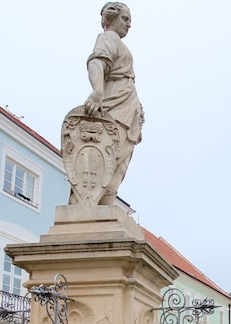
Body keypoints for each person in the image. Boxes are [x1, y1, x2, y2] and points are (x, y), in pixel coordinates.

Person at [82, 2, 143, 205]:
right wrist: (97, 91)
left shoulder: (118, 42)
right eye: (125, 19)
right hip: (115, 107)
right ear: (111, 18)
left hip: (128, 110)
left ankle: (107, 202)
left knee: (120, 162)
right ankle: (88, 204)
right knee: (108, 157)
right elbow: (96, 62)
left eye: (130, 20)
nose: (129, 24)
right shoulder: (108, 38)